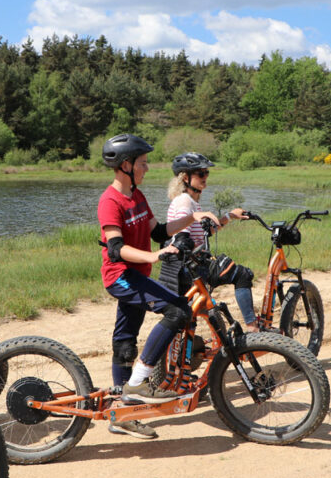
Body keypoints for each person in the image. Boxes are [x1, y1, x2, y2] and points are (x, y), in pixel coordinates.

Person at [98, 134, 220, 439]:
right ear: (125, 165)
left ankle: (122, 414)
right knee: (179, 311)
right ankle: (139, 382)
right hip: (121, 275)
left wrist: (193, 216)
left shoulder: (136, 196)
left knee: (125, 342)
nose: (147, 168)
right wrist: (156, 255)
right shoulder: (110, 200)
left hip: (136, 274)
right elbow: (115, 249)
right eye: (142, 163)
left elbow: (159, 231)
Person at [163, 152, 257, 331]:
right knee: (242, 275)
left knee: (191, 314)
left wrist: (229, 216)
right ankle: (254, 329)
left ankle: (189, 347)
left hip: (186, 267)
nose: (205, 177)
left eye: (207, 173)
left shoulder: (190, 201)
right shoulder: (185, 202)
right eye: (200, 174)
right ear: (185, 177)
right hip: (192, 268)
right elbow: (182, 237)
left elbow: (203, 232)